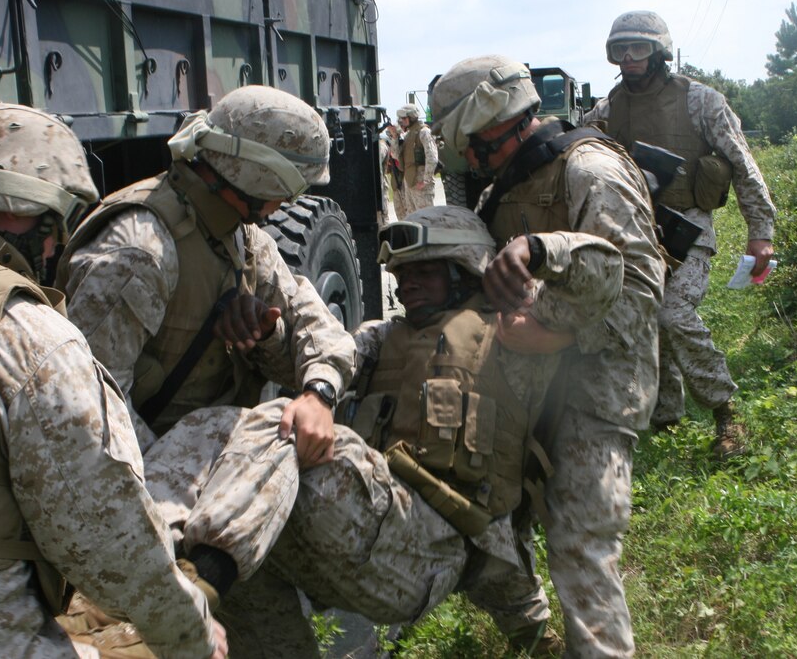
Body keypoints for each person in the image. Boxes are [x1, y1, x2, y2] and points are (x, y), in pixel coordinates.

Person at [138, 204, 626, 657]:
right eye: (401, 274)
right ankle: (145, 563)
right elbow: (315, 364)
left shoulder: (514, 338)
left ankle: (185, 591)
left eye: (424, 271)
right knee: (228, 432)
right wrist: (267, 337)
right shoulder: (381, 340)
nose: (406, 284)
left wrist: (535, 250)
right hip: (376, 537)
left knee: (283, 426)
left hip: (429, 555)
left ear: (466, 270)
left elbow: (607, 277)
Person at [0, 103, 226, 658]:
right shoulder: (30, 336)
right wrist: (192, 636)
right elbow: (117, 548)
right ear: (42, 215)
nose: (55, 247)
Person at [429, 55, 665, 658]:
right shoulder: (497, 178)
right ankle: (534, 635)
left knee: (582, 543)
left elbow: (640, 295)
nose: (465, 156)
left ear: (491, 121)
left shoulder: (589, 170)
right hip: (524, 383)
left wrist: (556, 336)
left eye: (467, 141)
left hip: (598, 382)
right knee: (502, 520)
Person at [55, 85, 356, 461]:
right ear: (262, 176)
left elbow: (321, 327)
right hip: (146, 468)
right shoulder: (141, 250)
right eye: (291, 190)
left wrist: (318, 393)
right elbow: (87, 413)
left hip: (205, 449)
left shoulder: (242, 239)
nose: (287, 205)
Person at [584, 10, 777, 456]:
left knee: (673, 314)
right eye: (620, 49)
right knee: (647, 319)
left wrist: (760, 231)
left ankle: (726, 409)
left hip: (690, 225)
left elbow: (744, 167)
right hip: (637, 232)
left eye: (639, 47)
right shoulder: (607, 110)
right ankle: (667, 415)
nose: (628, 57)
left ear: (659, 52)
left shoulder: (700, 102)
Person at [393, 104, 438, 218]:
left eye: (403, 118)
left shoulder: (424, 132)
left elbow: (432, 157)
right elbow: (395, 156)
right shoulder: (407, 135)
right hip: (410, 183)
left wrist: (426, 180)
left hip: (421, 183)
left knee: (426, 219)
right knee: (413, 220)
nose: (401, 121)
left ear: (411, 117)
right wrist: (395, 137)